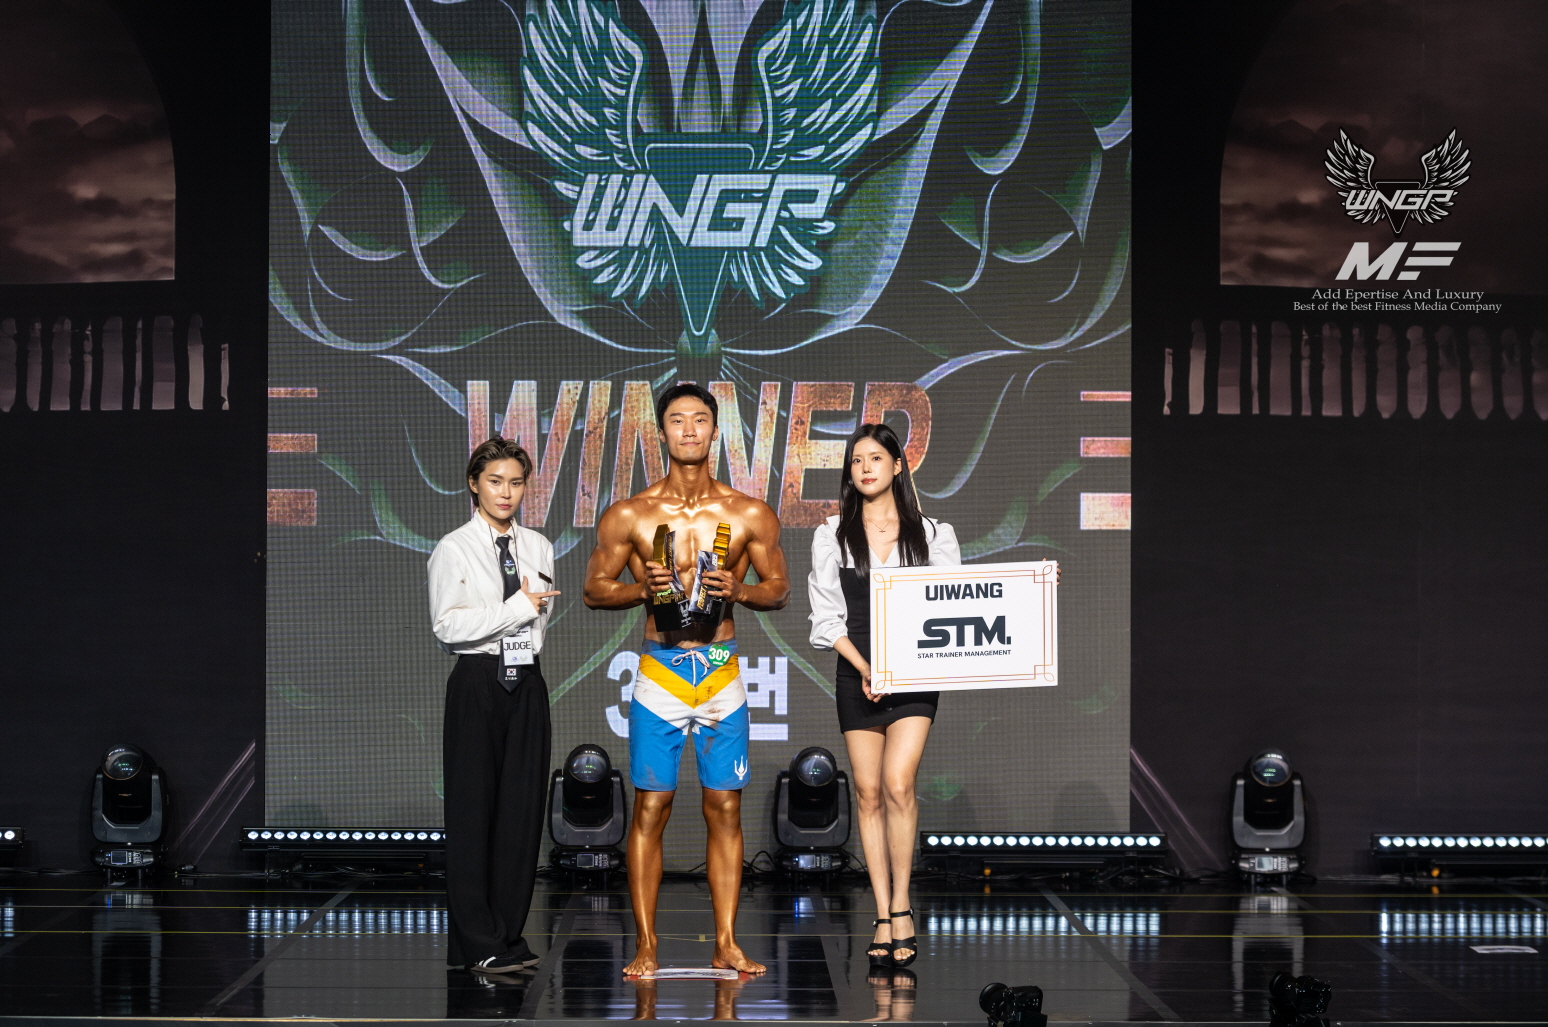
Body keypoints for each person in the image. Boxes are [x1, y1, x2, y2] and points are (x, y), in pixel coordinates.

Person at [583, 383, 790, 977]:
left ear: (715, 431)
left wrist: (741, 590)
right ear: (661, 432)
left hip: (720, 671)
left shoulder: (748, 513)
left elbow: (779, 588)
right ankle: (647, 944)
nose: (690, 430)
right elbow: (594, 589)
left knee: (724, 805)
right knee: (652, 805)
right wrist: (639, 590)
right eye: (678, 420)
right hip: (660, 671)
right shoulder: (631, 514)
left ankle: (726, 941)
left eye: (700, 420)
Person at [807, 423, 959, 968]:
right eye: (856, 460)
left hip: (916, 674)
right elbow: (827, 619)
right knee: (868, 792)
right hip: (859, 672)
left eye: (875, 458)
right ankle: (881, 913)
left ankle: (902, 904)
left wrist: (1030, 591)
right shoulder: (832, 534)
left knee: (898, 783)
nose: (865, 468)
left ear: (898, 466)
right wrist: (866, 668)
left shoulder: (933, 533)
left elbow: (957, 603)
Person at [428, 437, 562, 975]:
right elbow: (447, 627)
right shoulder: (453, 548)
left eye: (516, 483)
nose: (506, 493)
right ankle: (475, 941)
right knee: (472, 813)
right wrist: (514, 609)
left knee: (521, 814)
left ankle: (506, 935)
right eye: (495, 482)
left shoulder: (540, 545)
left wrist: (521, 622)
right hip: (478, 681)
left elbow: (539, 625)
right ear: (473, 484)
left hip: (526, 680)